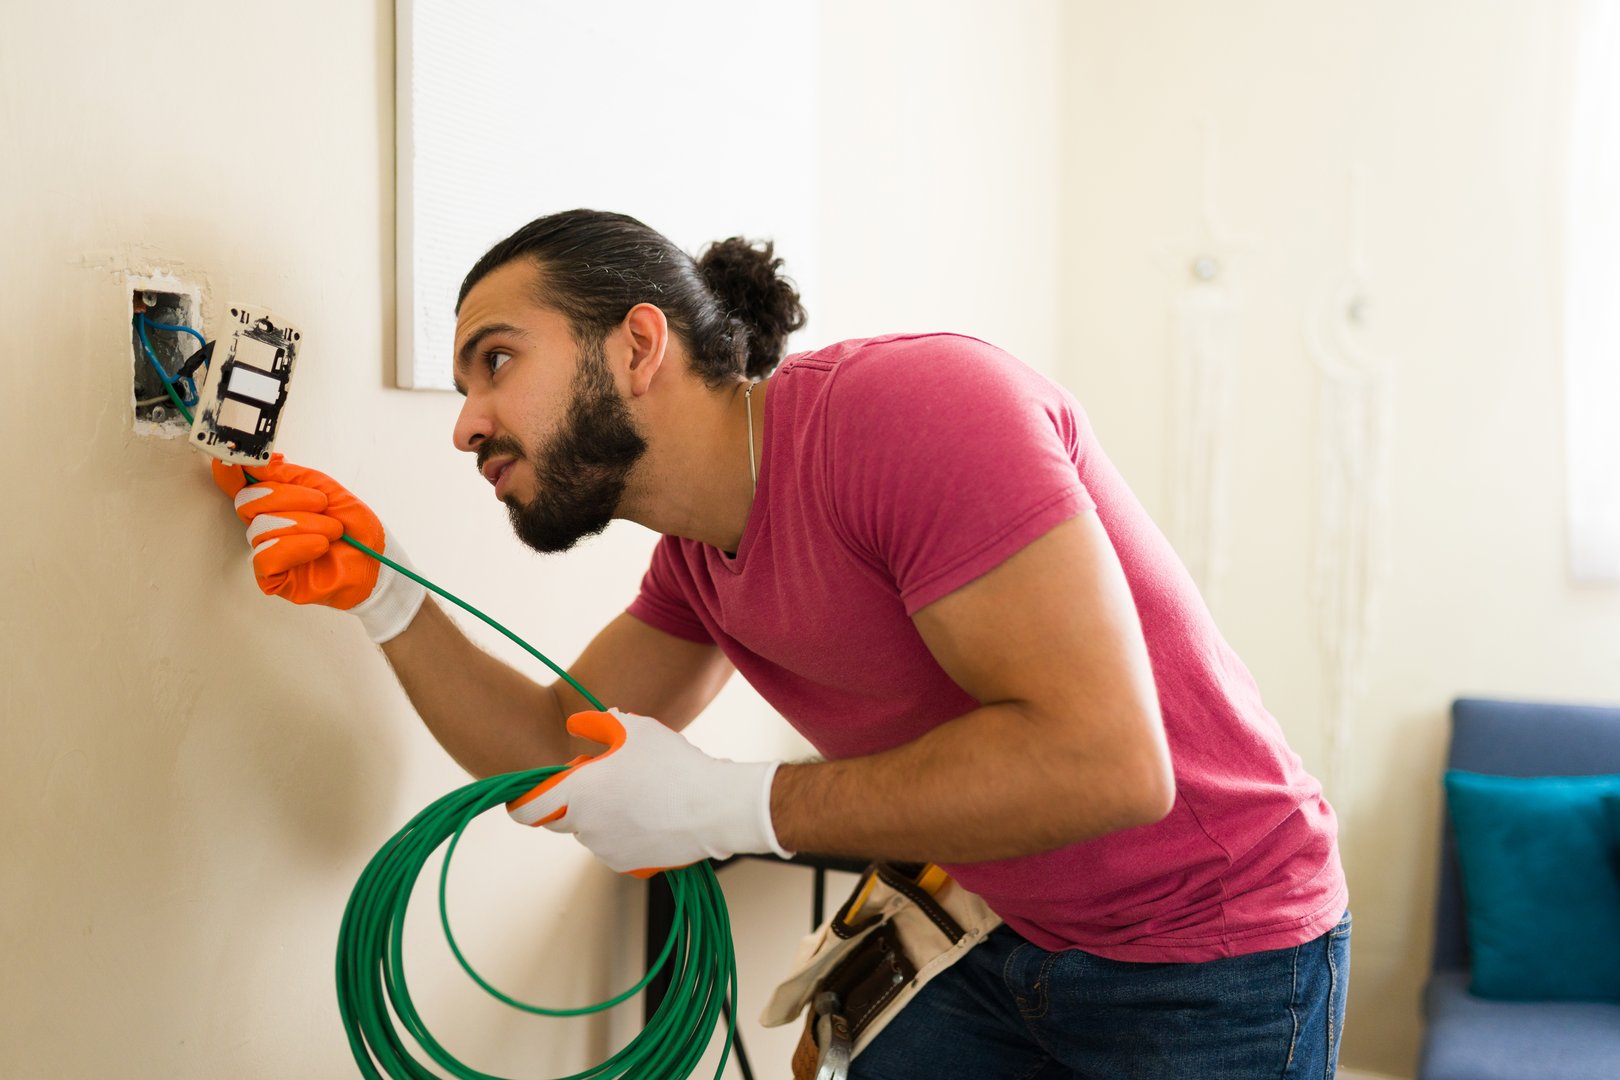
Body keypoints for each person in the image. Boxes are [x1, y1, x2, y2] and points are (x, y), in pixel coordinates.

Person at [214, 209, 1349, 1079]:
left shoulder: (911, 413)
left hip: (1215, 952)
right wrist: (384, 597)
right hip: (1011, 928)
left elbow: (1108, 763)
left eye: (496, 360)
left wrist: (732, 806)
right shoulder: (703, 560)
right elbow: (545, 752)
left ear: (637, 345)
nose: (463, 420)